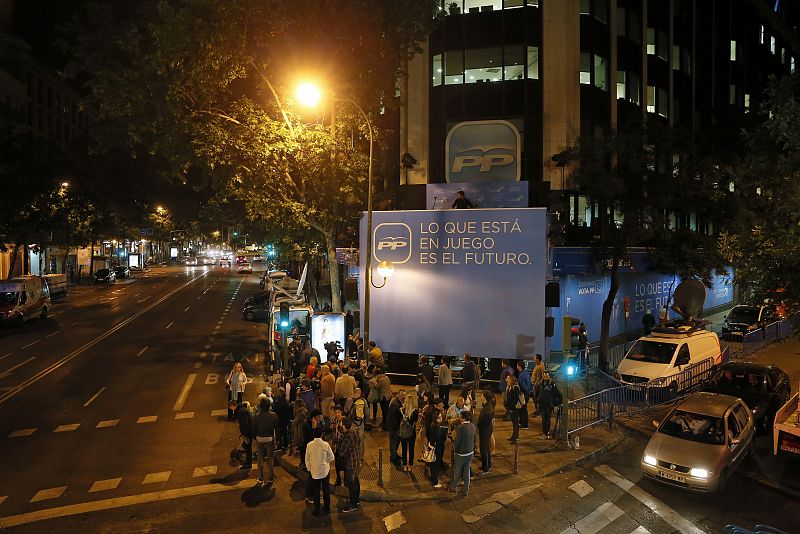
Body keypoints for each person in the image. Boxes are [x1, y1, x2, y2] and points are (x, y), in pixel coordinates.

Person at [305, 427, 335, 518]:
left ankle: (317, 510)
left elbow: (307, 459)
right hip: (325, 471)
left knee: (316, 491)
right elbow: (332, 457)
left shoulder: (309, 445)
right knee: (326, 490)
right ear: (322, 435)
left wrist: (310, 469)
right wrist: (326, 461)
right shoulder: (325, 445)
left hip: (314, 472)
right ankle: (327, 509)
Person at [337, 417, 362, 513]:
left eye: (341, 423)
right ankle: (356, 499)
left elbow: (341, 452)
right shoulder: (353, 431)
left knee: (351, 483)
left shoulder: (347, 436)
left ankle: (353, 504)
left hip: (350, 463)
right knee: (355, 480)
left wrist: (340, 439)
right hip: (356, 460)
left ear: (343, 426)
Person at [449, 410, 476, 496]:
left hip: (460, 453)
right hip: (470, 452)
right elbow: (474, 440)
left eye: (460, 417)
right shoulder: (473, 426)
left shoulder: (460, 428)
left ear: (463, 418)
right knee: (466, 471)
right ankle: (466, 490)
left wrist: (455, 450)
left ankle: (453, 487)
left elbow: (457, 442)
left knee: (457, 471)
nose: (459, 418)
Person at [253, 397, 278, 485]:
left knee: (260, 458)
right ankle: (271, 476)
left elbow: (254, 429)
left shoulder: (256, 416)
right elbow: (276, 427)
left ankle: (260, 477)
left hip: (259, 438)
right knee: (270, 457)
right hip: (269, 438)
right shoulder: (273, 415)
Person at [425, 398, 447, 488]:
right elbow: (437, 439)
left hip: (432, 445)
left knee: (433, 463)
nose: (441, 418)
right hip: (435, 447)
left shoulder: (433, 425)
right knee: (435, 464)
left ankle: (433, 476)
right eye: (440, 417)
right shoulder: (436, 427)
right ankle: (435, 481)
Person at [344, 387, 369, 460]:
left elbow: (346, 410)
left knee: (352, 439)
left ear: (353, 392)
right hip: (361, 423)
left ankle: (352, 455)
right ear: (360, 393)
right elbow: (367, 412)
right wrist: (366, 421)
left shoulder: (349, 399)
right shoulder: (363, 400)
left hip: (352, 423)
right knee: (361, 440)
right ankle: (361, 457)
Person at [537, 372, 561, 439]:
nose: (545, 378)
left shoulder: (552, 384)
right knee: (543, 418)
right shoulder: (540, 384)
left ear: (549, 377)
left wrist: (557, 403)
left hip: (549, 404)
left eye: (546, 377)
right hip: (542, 404)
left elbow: (557, 394)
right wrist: (537, 401)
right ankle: (544, 433)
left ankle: (546, 432)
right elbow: (537, 393)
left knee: (548, 418)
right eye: (544, 377)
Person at [476, 390, 495, 475]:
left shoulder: (488, 409)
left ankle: (485, 469)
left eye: (482, 395)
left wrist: (479, 425)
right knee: (486, 447)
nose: (480, 396)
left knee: (483, 449)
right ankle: (488, 465)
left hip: (485, 430)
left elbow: (484, 422)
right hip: (486, 430)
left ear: (485, 397)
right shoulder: (487, 406)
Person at [399, 392, 418, 472]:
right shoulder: (415, 411)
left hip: (403, 431)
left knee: (404, 449)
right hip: (411, 432)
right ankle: (410, 465)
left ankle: (404, 465)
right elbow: (416, 420)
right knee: (411, 449)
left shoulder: (401, 410)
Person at [387, 390, 406, 466]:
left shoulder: (400, 403)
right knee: (393, 442)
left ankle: (395, 454)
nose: (404, 397)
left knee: (396, 441)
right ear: (398, 395)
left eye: (404, 395)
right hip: (394, 427)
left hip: (396, 427)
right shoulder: (395, 404)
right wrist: (397, 428)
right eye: (402, 395)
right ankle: (393, 458)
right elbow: (394, 418)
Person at [273, 387, 292, 452]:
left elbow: (274, 410)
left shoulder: (277, 402)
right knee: (285, 433)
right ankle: (285, 445)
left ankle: (279, 445)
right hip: (285, 420)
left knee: (279, 433)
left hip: (279, 420)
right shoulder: (286, 401)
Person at [236, 401, 254, 470]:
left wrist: (244, 435)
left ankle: (248, 463)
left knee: (247, 448)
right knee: (248, 448)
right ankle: (249, 462)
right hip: (249, 432)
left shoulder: (241, 412)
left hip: (247, 433)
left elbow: (244, 424)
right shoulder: (244, 410)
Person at [504, 375, 522, 444]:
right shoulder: (509, 387)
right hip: (511, 408)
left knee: (516, 423)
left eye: (508, 378)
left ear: (511, 379)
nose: (506, 380)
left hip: (514, 408)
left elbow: (516, 398)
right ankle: (513, 436)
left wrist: (512, 407)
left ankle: (516, 438)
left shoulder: (515, 387)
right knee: (514, 423)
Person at [516, 361, 532, 430]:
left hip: (523, 394)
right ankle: (523, 423)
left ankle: (524, 424)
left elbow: (523, 386)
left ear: (519, 366)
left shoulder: (521, 375)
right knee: (524, 409)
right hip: (527, 393)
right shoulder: (527, 373)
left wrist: (523, 392)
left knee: (522, 410)